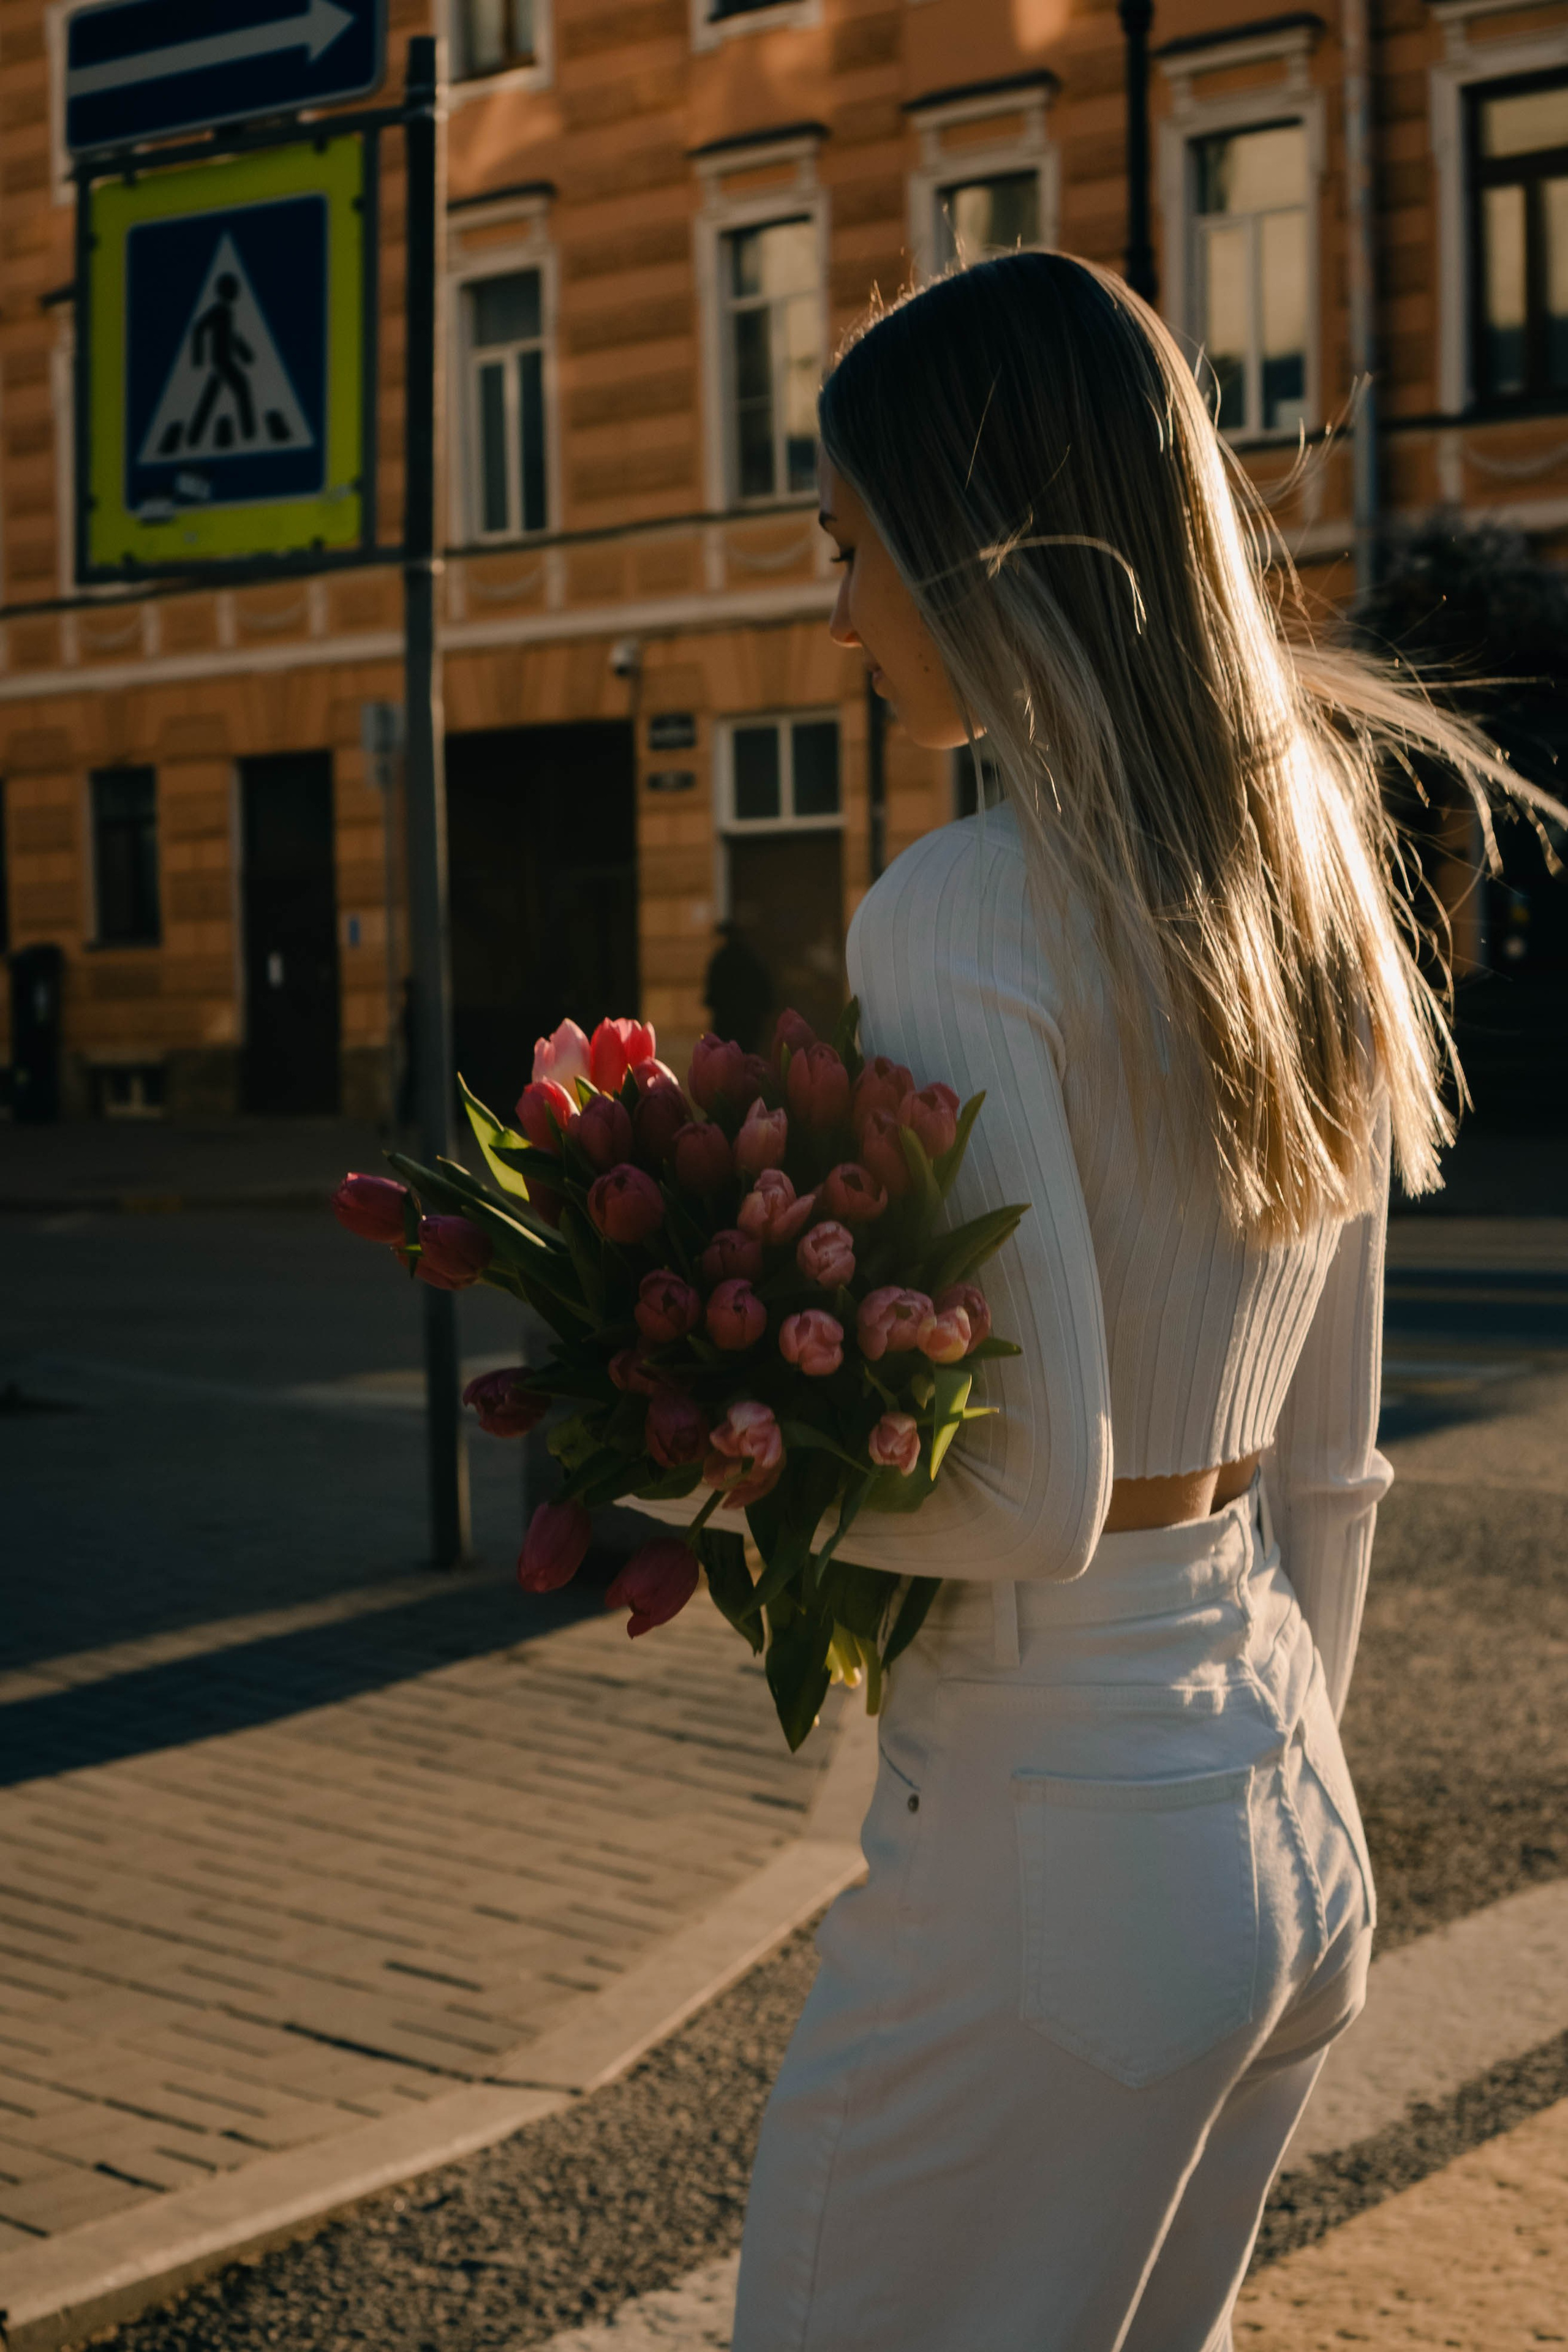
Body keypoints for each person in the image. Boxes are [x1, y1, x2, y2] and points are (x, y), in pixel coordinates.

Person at [683, 254, 1551, 2352]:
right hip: (1279, 1818)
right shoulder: (1315, 877)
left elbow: (1033, 1496)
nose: (834, 602)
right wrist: (1263, 1789)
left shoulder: (961, 908)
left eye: (850, 543)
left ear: (979, 556)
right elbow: (1334, 1469)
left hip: (1050, 1864)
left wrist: (709, 1466)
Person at [704, 919, 773, 1052]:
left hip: (728, 1022)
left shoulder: (722, 959)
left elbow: (713, 994)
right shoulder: (752, 958)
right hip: (748, 1021)